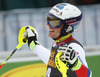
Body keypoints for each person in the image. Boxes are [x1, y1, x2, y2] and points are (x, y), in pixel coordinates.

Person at [24, 3, 92, 77]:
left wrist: (76, 64)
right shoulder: (58, 43)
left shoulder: (73, 47)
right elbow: (52, 61)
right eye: (48, 19)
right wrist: (33, 44)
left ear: (67, 28)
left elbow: (88, 75)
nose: (49, 25)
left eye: (55, 22)